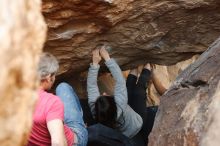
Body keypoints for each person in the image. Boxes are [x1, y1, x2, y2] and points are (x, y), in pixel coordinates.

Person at [87, 46, 157, 145]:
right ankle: (148, 66)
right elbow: (120, 80)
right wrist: (107, 57)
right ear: (115, 103)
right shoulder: (120, 103)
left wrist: (94, 64)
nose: (104, 93)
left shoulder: (96, 111)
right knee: (138, 90)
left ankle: (135, 65)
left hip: (124, 127)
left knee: (129, 84)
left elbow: (91, 87)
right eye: (105, 95)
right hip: (137, 123)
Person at [27, 53, 88, 146]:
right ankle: (82, 124)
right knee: (63, 87)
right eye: (54, 75)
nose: (55, 78)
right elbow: (58, 143)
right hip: (75, 141)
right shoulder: (51, 102)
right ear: (48, 78)